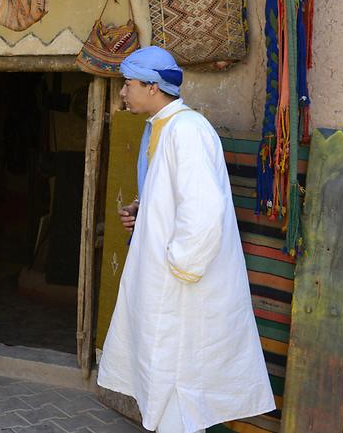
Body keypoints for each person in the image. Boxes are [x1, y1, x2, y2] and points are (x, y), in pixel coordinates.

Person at [96, 47, 275, 433]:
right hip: (167, 280)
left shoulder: (188, 131)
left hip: (181, 283)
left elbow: (204, 211)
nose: (123, 93)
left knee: (180, 378)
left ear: (153, 86)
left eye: (128, 85)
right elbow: (176, 196)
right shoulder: (163, 128)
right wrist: (147, 212)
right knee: (166, 375)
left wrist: (179, 265)